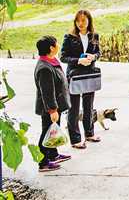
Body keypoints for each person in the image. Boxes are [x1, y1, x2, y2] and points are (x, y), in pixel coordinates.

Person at [61, 10, 101, 149]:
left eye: (83, 20)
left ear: (89, 20)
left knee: (88, 106)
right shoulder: (69, 37)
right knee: (74, 108)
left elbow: (98, 52)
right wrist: (78, 60)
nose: (80, 23)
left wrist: (93, 57)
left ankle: (89, 134)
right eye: (78, 20)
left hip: (89, 74)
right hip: (75, 75)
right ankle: (75, 139)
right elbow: (63, 57)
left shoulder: (94, 35)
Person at [34, 35, 72, 172]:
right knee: (47, 132)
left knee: (53, 130)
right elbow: (47, 92)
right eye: (56, 44)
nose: (58, 46)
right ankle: (43, 162)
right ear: (51, 48)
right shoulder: (44, 68)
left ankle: (53, 155)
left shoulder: (51, 61)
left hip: (56, 105)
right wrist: (52, 110)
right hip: (49, 107)